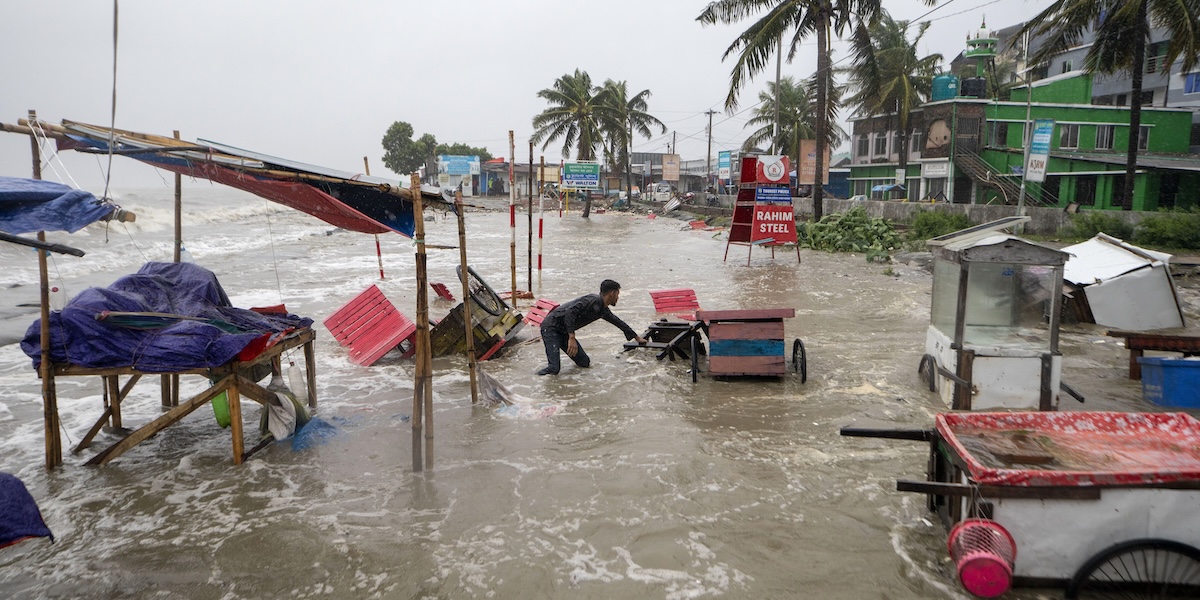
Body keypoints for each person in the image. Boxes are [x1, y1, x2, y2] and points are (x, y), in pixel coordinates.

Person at [536, 280, 646, 375]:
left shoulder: (603, 310)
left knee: (584, 363)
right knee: (554, 369)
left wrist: (636, 338)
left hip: (564, 331)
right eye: (617, 294)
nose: (618, 298)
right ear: (612, 293)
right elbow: (570, 312)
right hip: (551, 327)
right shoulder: (592, 300)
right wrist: (571, 337)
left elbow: (618, 322)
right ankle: (534, 380)